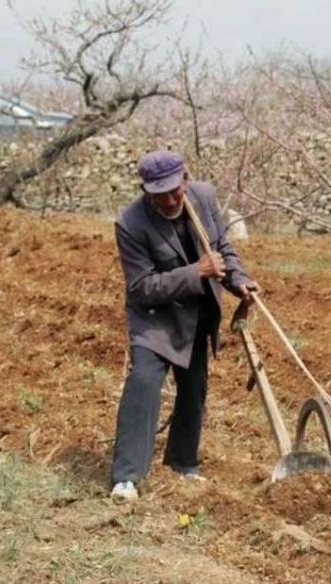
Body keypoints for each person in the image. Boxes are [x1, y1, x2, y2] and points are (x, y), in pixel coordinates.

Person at [110, 150, 259, 502]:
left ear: (186, 179)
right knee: (143, 383)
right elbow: (142, 287)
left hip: (198, 312)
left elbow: (222, 246)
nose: (170, 199)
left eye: (175, 190)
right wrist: (197, 272)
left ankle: (182, 462)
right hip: (155, 318)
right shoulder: (130, 223)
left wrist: (239, 280)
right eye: (159, 193)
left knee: (194, 387)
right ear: (145, 190)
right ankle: (126, 476)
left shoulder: (203, 196)